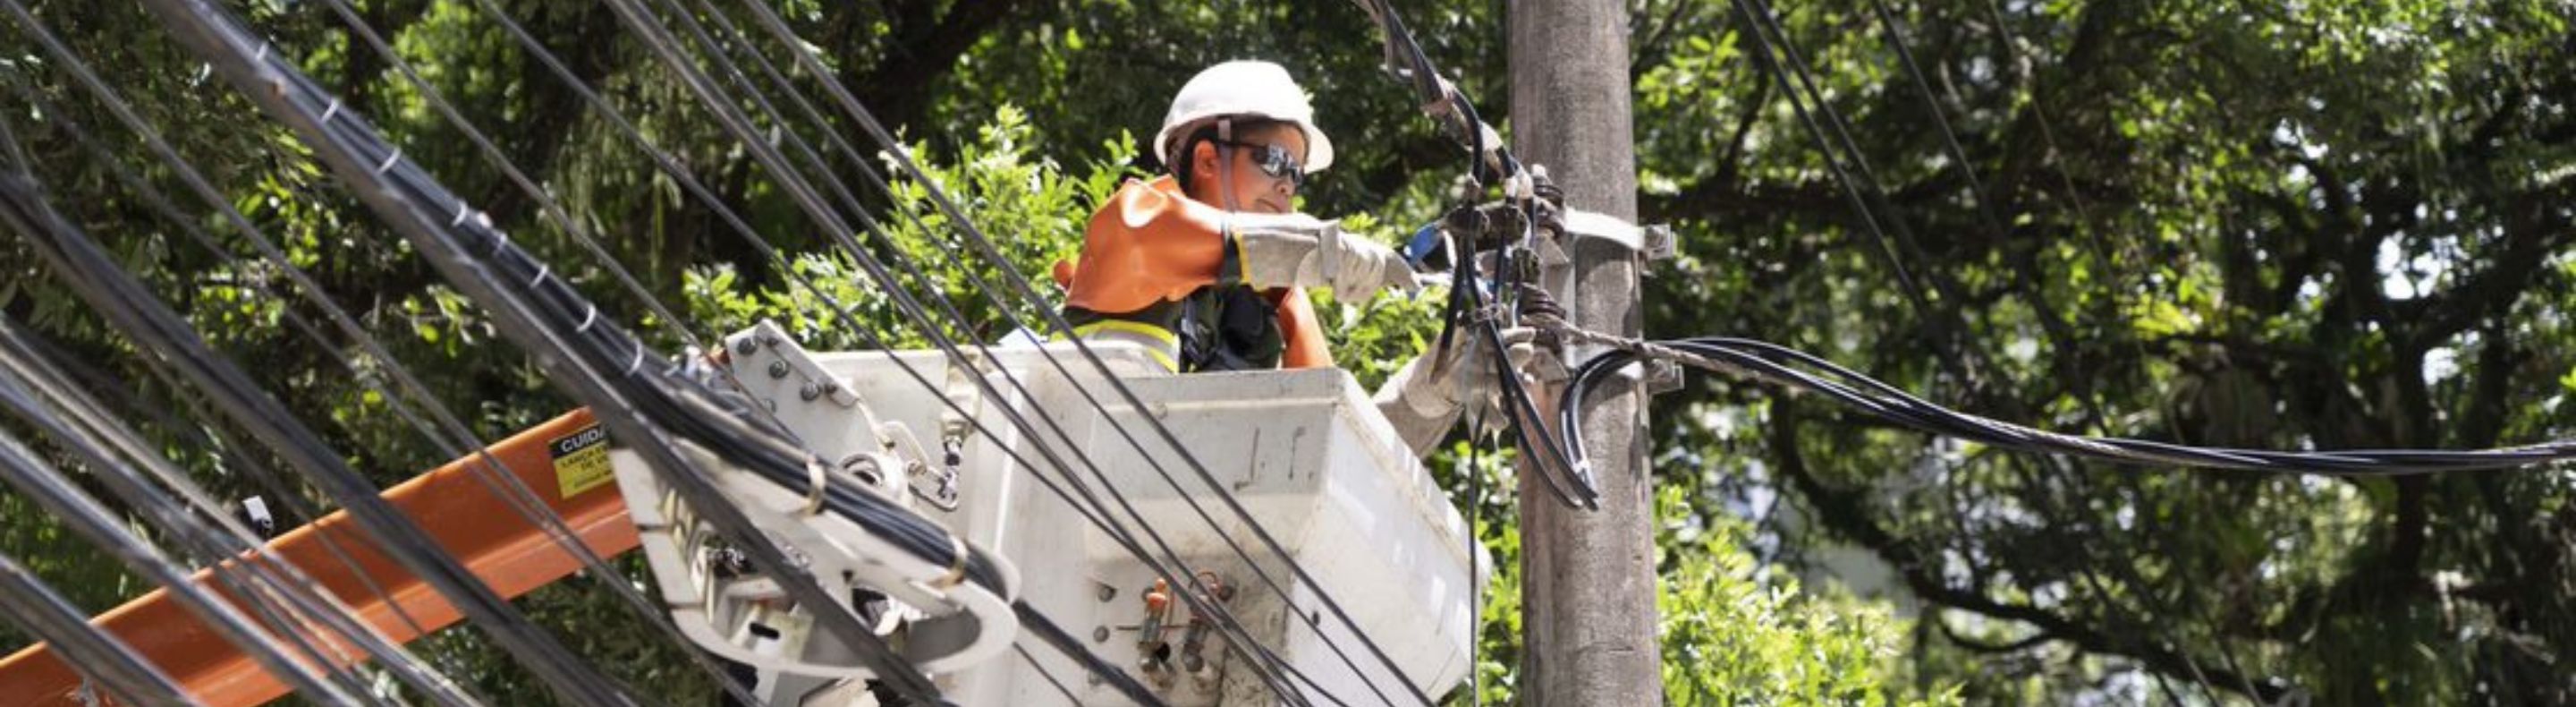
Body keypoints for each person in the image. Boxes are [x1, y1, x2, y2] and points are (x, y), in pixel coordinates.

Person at [1055, 60, 1527, 455]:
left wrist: (1429, 393)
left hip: (1177, 523)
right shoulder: (1132, 223)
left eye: (1297, 175)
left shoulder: (1274, 300)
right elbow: (1238, 243)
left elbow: (1340, 446)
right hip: (1082, 489)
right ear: (1207, 159)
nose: (1287, 186)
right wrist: (1328, 249)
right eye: (1275, 161)